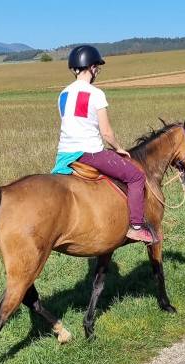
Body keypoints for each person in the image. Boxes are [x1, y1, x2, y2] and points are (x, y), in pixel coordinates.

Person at [51, 45, 155, 244]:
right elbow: (106, 132)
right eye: (97, 67)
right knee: (136, 177)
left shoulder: (62, 95)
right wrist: (118, 148)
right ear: (91, 67)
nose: (97, 70)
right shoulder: (95, 93)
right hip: (89, 153)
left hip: (64, 156)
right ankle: (135, 227)